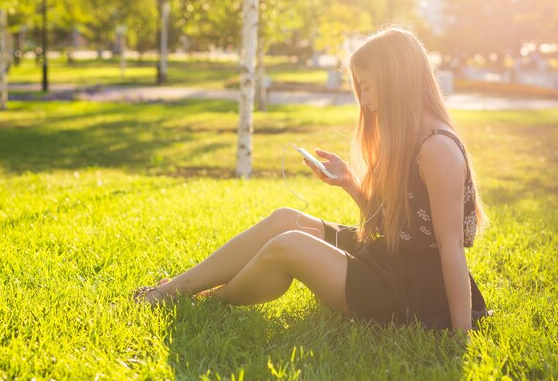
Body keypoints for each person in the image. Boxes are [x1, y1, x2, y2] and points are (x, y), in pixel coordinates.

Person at [134, 27, 491, 332]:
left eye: (367, 87)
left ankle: (205, 298)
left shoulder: (437, 149)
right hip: (389, 259)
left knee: (289, 245)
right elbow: (396, 225)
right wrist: (350, 183)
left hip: (412, 291)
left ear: (396, 80)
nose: (364, 101)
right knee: (284, 219)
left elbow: (449, 248)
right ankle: (176, 289)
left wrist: (461, 334)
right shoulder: (408, 136)